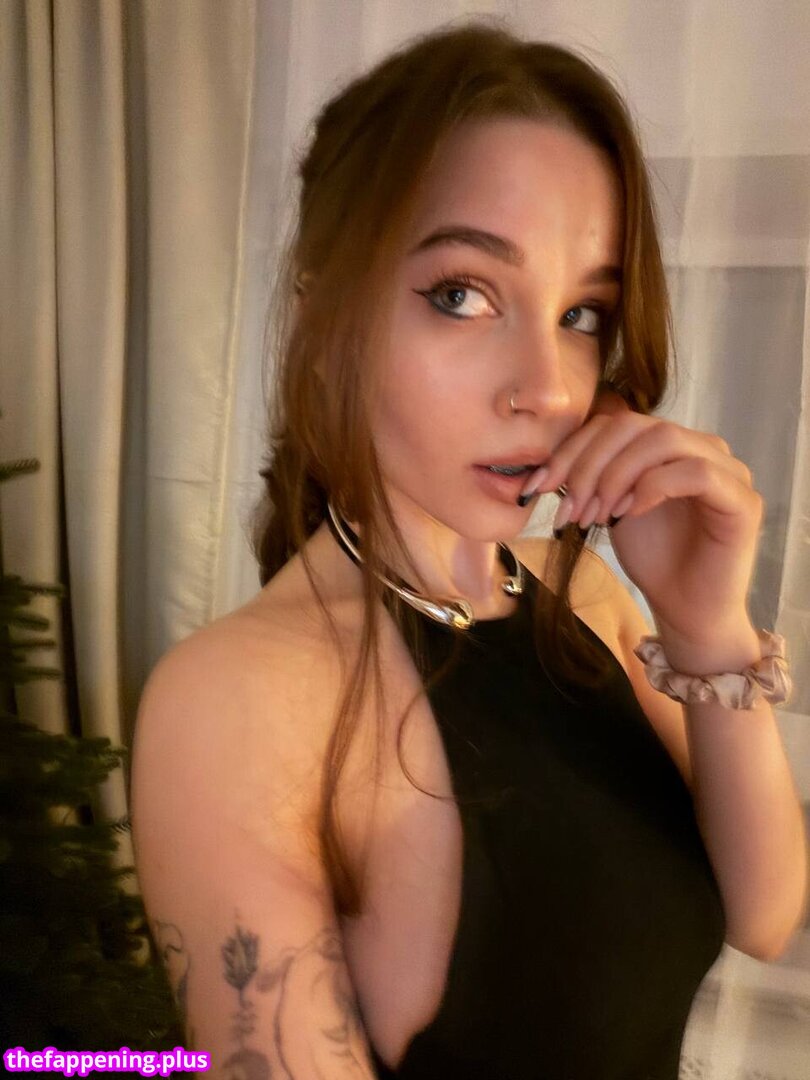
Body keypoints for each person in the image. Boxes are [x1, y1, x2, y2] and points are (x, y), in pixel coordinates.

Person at [130, 18, 806, 1080]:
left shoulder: (588, 603)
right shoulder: (240, 698)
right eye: (462, 295)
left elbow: (764, 914)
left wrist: (705, 620)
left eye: (583, 313)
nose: (546, 387)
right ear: (324, 316)